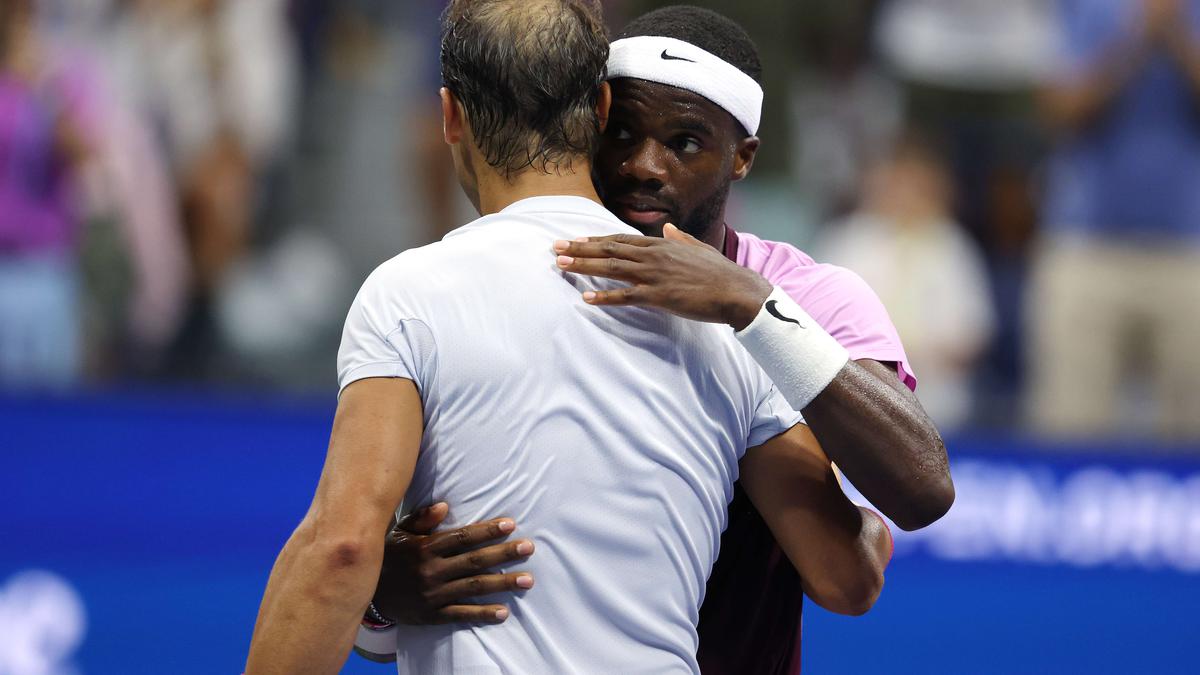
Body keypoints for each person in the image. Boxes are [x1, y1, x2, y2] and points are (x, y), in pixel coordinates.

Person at [245, 1, 891, 673]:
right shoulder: (727, 319)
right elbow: (847, 576)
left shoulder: (409, 294)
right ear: (601, 107)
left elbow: (343, 550)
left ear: (450, 116)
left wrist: (376, 582)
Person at [1029, 0, 1200, 440]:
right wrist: (1138, 36)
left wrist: (1176, 34)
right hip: (1086, 246)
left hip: (1188, 248)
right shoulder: (1079, 6)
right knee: (1069, 430)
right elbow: (1059, 109)